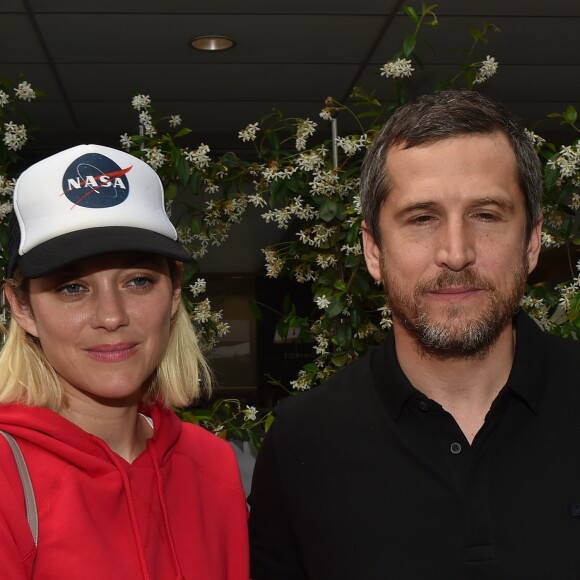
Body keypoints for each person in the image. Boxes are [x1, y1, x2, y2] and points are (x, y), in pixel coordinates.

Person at [247, 89, 580, 579]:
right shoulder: (302, 445)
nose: (456, 251)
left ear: (531, 243)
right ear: (374, 251)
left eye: (486, 215)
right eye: (422, 219)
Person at [0, 144, 249, 579]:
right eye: (72, 288)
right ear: (22, 309)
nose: (112, 316)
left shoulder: (213, 465)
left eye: (138, 281)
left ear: (174, 293)